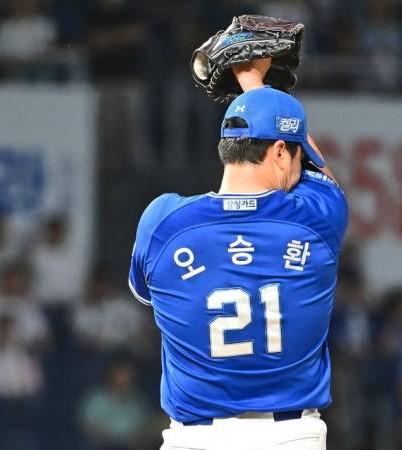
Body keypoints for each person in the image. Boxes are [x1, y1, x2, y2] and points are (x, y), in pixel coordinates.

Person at [128, 58, 348, 450]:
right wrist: (252, 83)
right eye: (294, 155)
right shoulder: (317, 220)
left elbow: (145, 295)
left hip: (196, 439)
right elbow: (322, 175)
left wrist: (254, 98)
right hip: (291, 436)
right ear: (279, 151)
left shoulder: (163, 221)